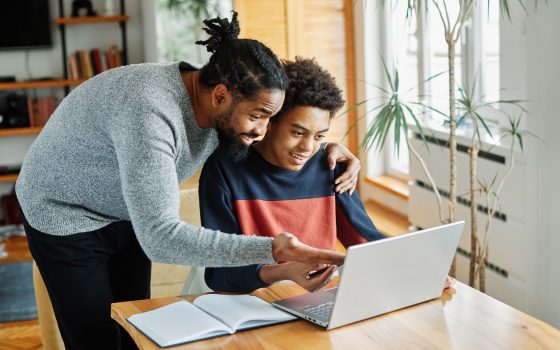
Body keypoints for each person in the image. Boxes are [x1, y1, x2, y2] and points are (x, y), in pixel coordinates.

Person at [15, 12, 357, 350]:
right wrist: (273, 249)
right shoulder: (151, 113)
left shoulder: (229, 103)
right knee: (97, 338)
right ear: (220, 96)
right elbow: (161, 238)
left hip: (127, 209)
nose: (261, 130)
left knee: (132, 325)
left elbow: (280, 135)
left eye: (267, 118)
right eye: (258, 117)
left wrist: (326, 151)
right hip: (64, 210)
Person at [200, 57, 387, 294]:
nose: (308, 148)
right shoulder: (225, 170)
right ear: (270, 121)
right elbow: (220, 274)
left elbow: (366, 243)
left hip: (320, 302)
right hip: (253, 303)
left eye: (319, 136)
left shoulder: (330, 166)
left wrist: (417, 272)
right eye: (298, 133)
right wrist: (284, 271)